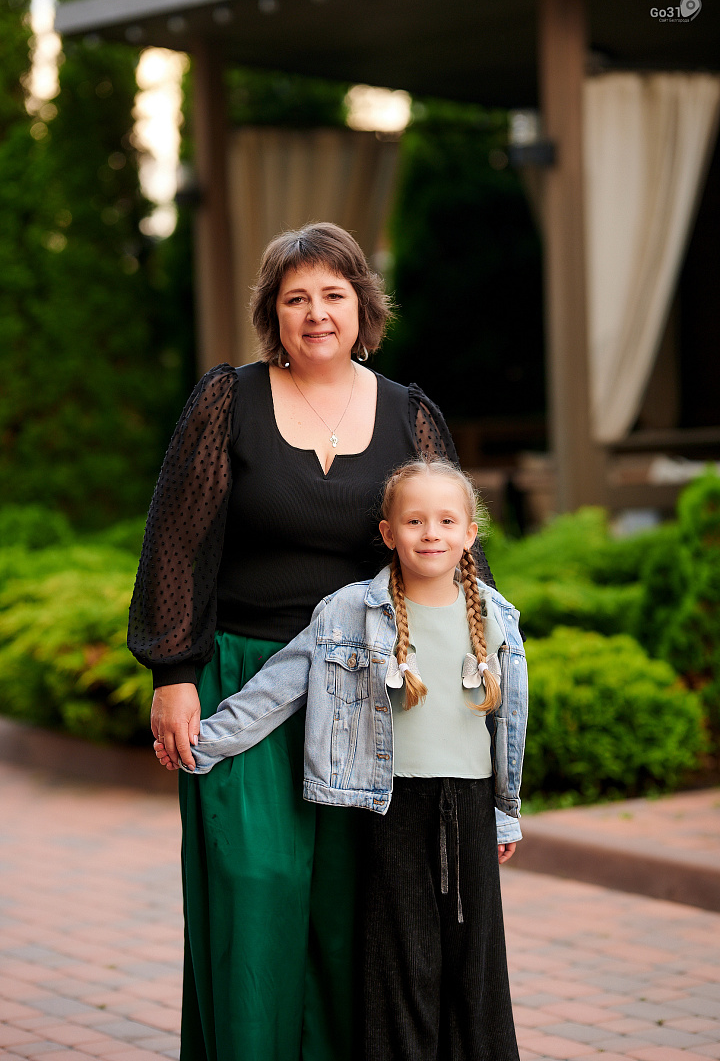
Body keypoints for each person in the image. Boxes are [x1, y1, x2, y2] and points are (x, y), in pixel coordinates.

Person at [128, 223, 498, 1061]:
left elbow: (450, 551)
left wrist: (466, 688)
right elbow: (178, 545)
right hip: (242, 679)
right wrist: (174, 673)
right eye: (296, 298)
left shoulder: (410, 414)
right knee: (253, 882)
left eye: (333, 294)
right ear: (274, 315)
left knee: (345, 904)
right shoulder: (228, 401)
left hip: (368, 691)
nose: (316, 313)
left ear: (363, 307)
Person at [156, 456, 527, 1061]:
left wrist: (504, 815)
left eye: (445, 521)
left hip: (469, 808)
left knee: (476, 962)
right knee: (400, 960)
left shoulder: (496, 617)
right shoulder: (348, 612)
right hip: (390, 807)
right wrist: (204, 743)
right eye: (414, 521)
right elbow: (278, 688)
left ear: (470, 533)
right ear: (388, 533)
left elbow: (507, 726)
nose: (430, 533)